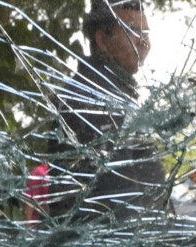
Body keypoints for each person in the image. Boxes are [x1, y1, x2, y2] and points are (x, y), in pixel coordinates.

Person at [48, 0, 167, 222]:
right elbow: (117, 202)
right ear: (103, 40)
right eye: (133, 31)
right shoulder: (94, 101)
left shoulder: (115, 95)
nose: (144, 42)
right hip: (113, 240)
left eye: (146, 32)